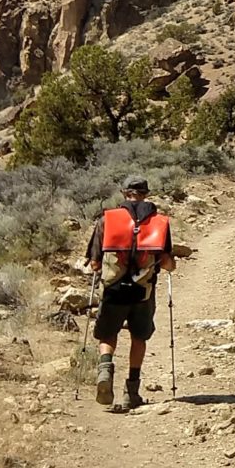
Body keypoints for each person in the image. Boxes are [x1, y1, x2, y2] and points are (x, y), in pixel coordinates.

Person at [80, 176, 177, 412]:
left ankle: (105, 370)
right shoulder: (159, 222)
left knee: (108, 335)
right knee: (139, 337)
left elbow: (94, 264)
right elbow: (166, 263)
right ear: (145, 194)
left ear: (125, 193)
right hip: (143, 292)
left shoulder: (107, 220)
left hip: (113, 290)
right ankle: (131, 392)